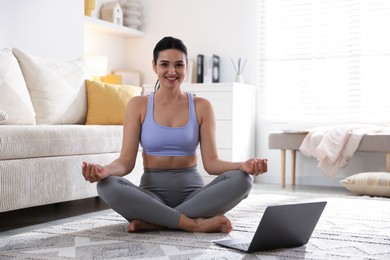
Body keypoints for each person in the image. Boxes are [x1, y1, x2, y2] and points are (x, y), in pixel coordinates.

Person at [82, 36, 268, 234]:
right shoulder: (138, 105)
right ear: (154, 66)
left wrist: (242, 166)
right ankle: (192, 223)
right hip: (150, 198)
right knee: (106, 186)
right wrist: (105, 170)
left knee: (244, 180)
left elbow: (212, 163)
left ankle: (156, 221)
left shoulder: (202, 106)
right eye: (164, 64)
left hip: (195, 198)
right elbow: (125, 162)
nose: (172, 72)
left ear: (186, 67)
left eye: (179, 65)